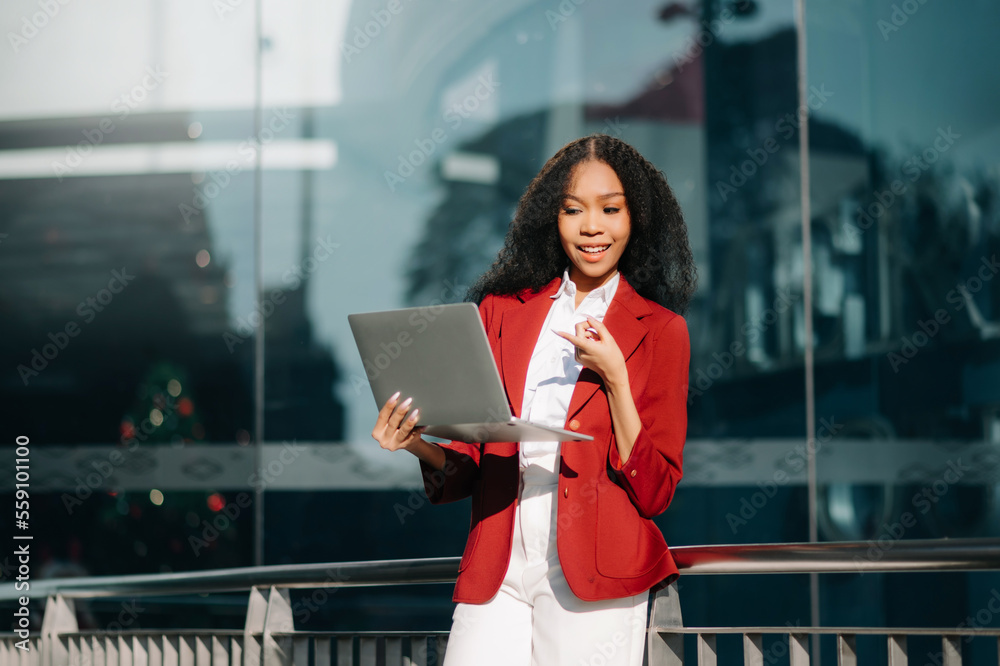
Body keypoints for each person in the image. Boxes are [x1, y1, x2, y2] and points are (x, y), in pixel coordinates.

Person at [371, 134, 696, 666]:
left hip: (595, 571)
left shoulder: (661, 331)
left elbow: (656, 491)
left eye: (610, 210)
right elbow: (469, 465)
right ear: (553, 219)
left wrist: (615, 378)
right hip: (498, 565)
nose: (593, 227)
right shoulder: (502, 312)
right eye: (574, 211)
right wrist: (416, 445)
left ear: (634, 218)